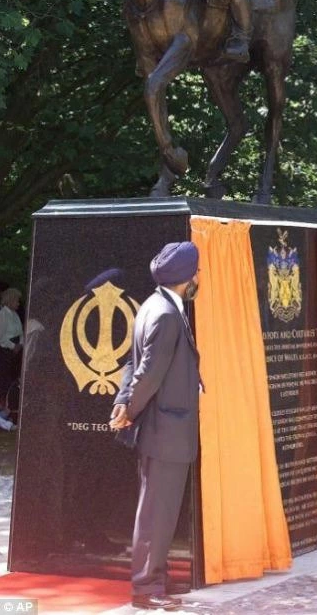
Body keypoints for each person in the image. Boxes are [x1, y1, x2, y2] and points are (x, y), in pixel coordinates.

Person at [110, 242, 201, 611]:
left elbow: (132, 364)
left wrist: (122, 402)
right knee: (157, 514)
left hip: (164, 427)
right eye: (196, 271)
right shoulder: (165, 313)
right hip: (166, 429)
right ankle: (147, 587)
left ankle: (155, 580)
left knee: (158, 511)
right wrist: (129, 410)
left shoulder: (154, 305)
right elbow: (147, 373)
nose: (199, 277)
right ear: (186, 278)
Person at [0, 288, 22, 430]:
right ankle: (4, 413)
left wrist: (20, 345)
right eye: (17, 300)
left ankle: (9, 413)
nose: (18, 303)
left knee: (14, 381)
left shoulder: (15, 315)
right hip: (6, 351)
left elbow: (20, 332)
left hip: (16, 351)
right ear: (10, 300)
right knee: (6, 381)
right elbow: (0, 337)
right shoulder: (3, 314)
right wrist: (13, 346)